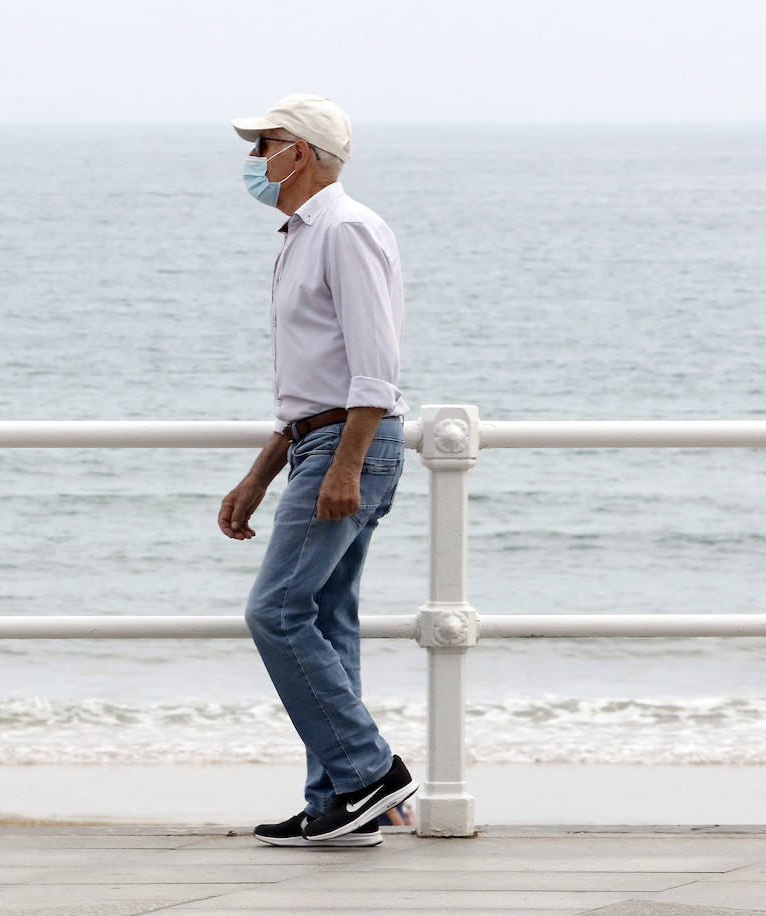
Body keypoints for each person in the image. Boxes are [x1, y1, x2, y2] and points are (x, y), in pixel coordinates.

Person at [220, 93, 418, 847]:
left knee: (274, 611)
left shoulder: (346, 229)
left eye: (260, 145)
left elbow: (374, 368)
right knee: (327, 623)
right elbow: (307, 386)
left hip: (347, 446)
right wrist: (259, 476)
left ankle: (372, 772)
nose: (251, 162)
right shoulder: (299, 237)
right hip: (317, 442)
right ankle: (341, 803)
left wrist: (346, 466)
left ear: (297, 152)